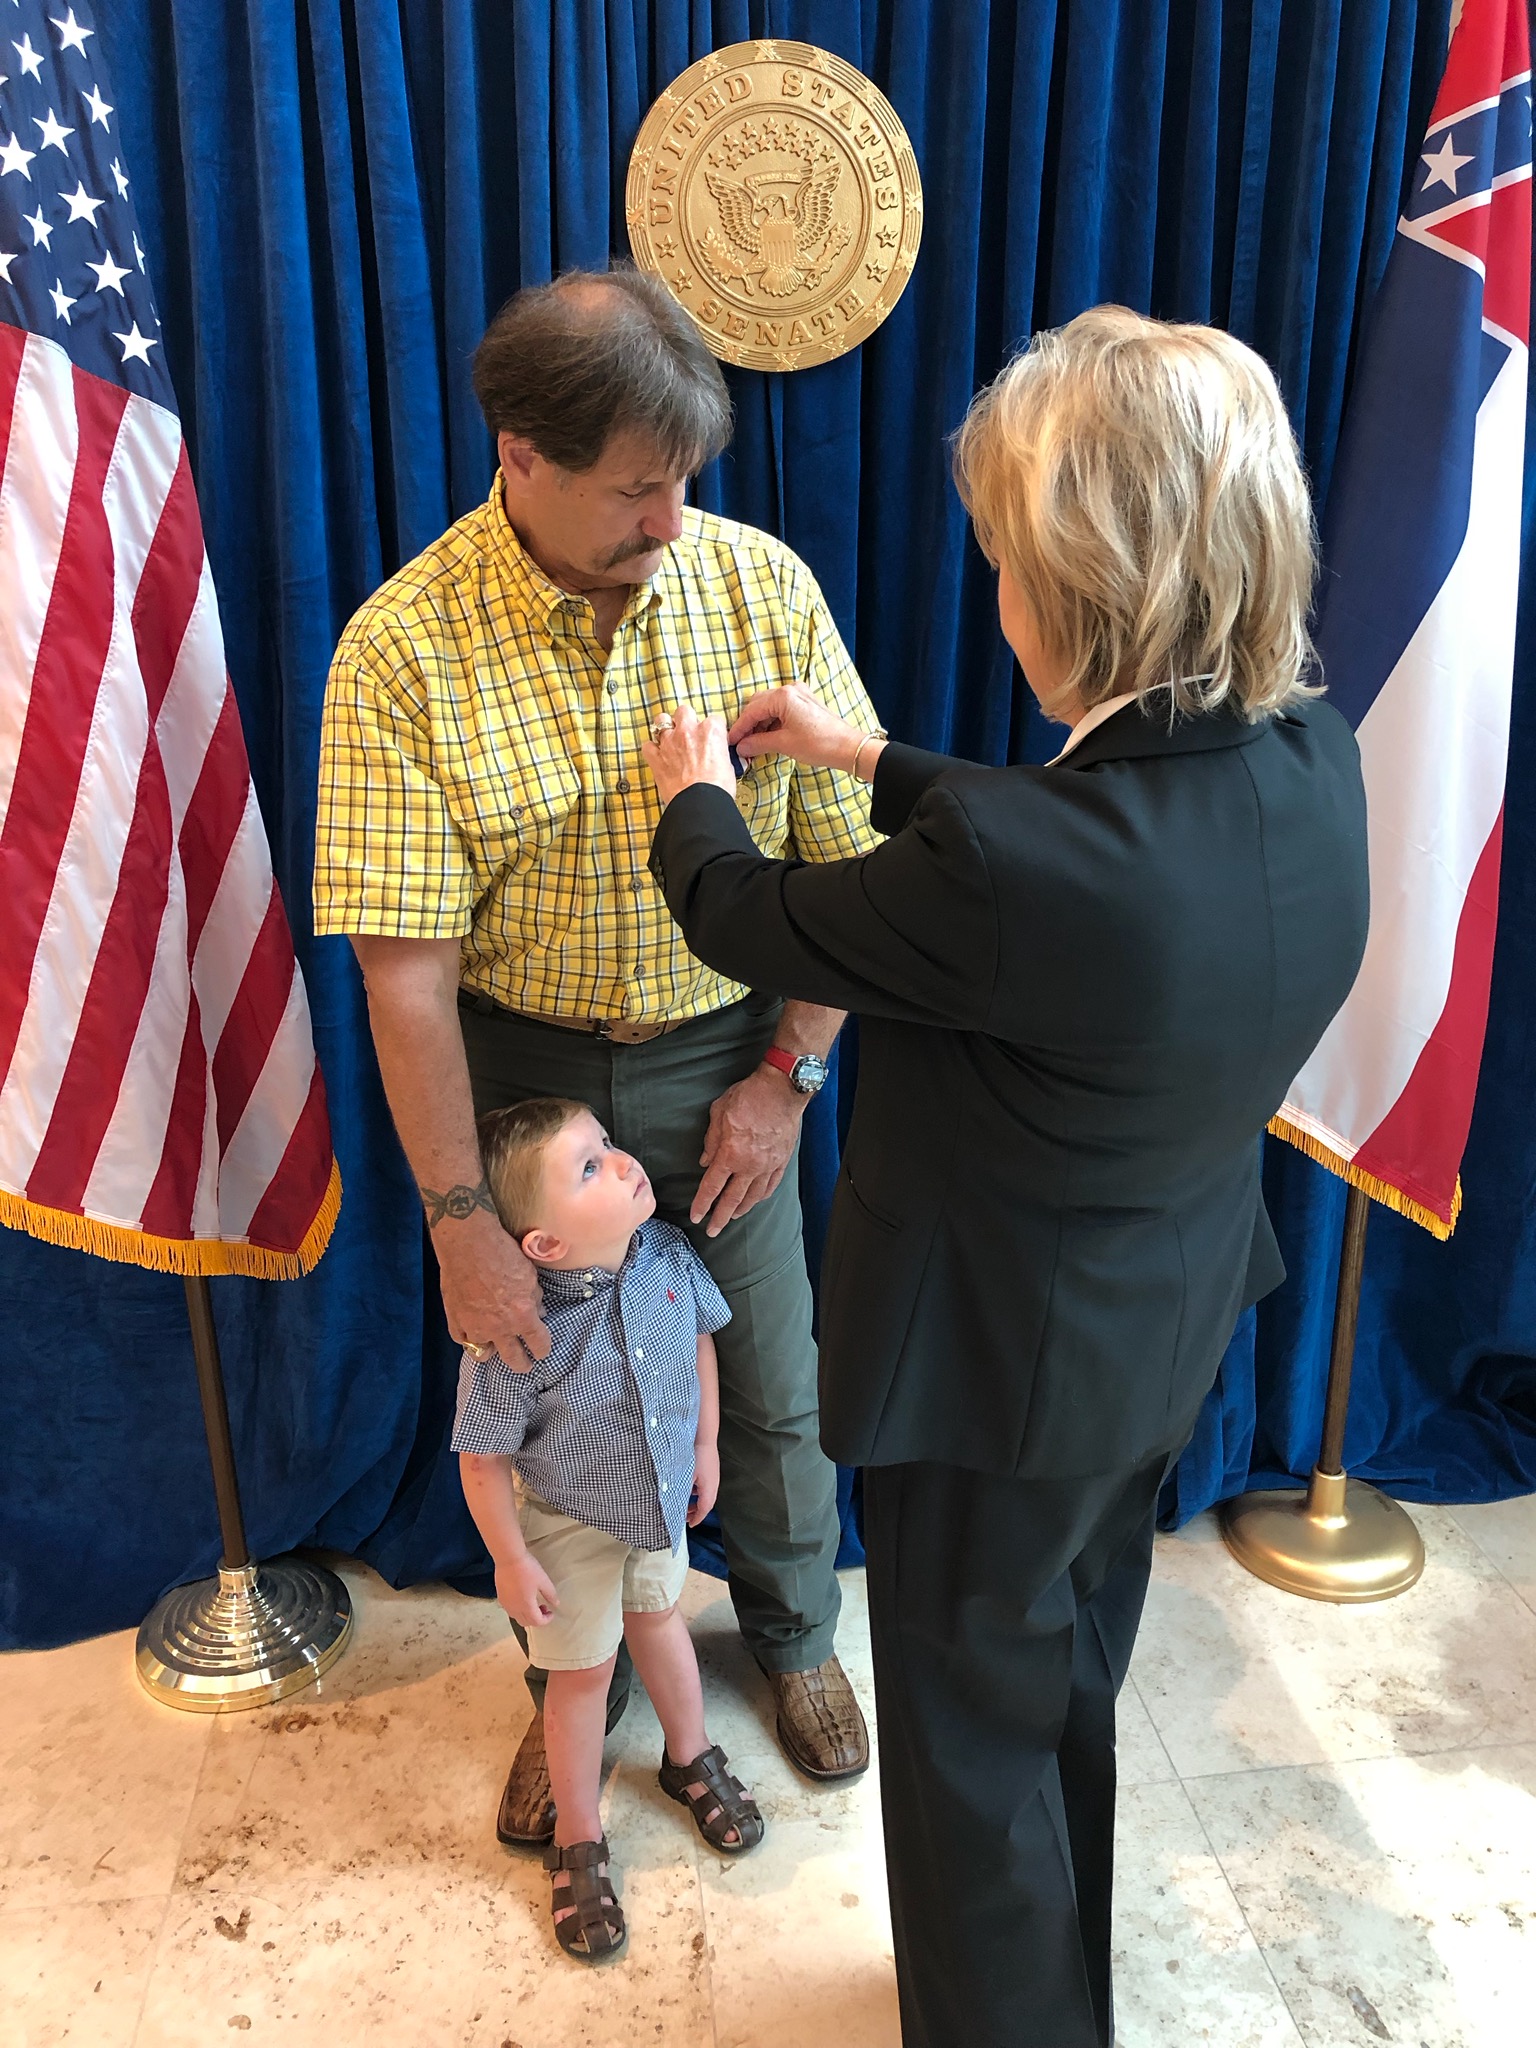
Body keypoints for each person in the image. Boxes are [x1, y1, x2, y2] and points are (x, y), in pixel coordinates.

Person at [641, 307, 1371, 2047]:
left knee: (967, 1749)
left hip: (996, 1369)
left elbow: (743, 911)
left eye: (1003, 561)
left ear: (1079, 583)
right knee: (1061, 1682)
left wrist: (696, 790)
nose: (995, 593)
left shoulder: (1011, 865)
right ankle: (1049, 1992)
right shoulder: (1307, 756)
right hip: (1161, 1322)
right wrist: (860, 759)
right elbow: (1078, 846)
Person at [313, 266, 876, 1849]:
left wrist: (787, 1079)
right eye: (636, 491)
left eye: (684, 481)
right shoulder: (403, 649)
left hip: (727, 1050)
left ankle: (795, 1637)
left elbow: (845, 872)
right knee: (550, 1409)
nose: (671, 523)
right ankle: (577, 1682)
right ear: (521, 455)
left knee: (768, 1385)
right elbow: (406, 982)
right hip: (517, 1081)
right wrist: (461, 1222)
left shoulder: (760, 589)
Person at [455, 1096, 763, 1962]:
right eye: (589, 1166)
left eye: (609, 1144)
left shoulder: (666, 1254)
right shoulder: (518, 1329)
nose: (624, 1161)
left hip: (659, 1504)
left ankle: (690, 1754)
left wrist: (704, 1444)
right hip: (569, 1526)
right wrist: (509, 1558)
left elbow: (699, 1342)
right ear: (543, 1244)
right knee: (582, 1675)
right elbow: (482, 1458)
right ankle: (578, 1834)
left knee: (662, 1622)